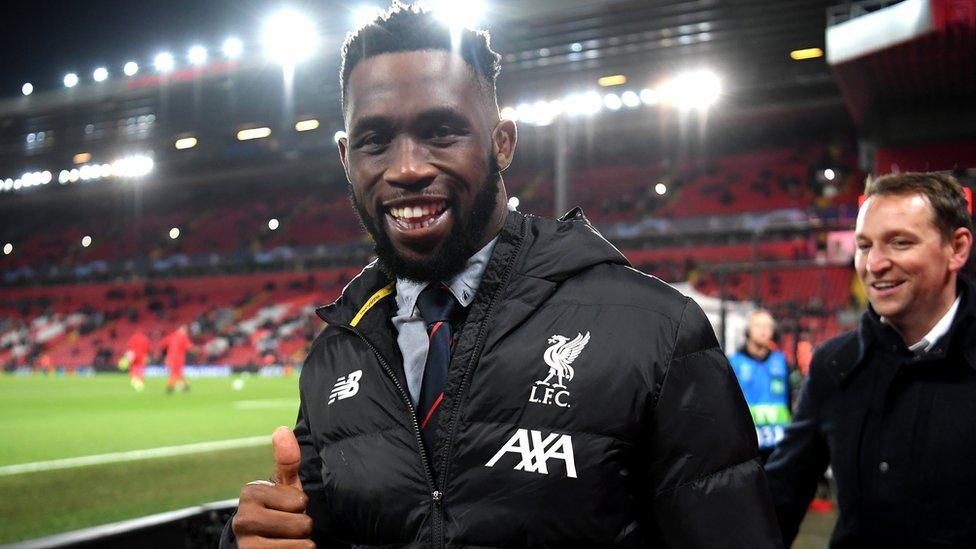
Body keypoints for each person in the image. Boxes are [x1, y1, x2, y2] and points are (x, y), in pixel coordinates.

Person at [224, 4, 780, 547]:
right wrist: (252, 539)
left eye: (441, 132)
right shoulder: (337, 353)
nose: (408, 167)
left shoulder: (654, 333)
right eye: (375, 141)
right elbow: (308, 527)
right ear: (347, 157)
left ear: (502, 141)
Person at [765, 172, 976, 547]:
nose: (874, 264)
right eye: (864, 246)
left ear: (957, 248)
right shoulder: (834, 364)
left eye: (899, 242)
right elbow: (780, 498)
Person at [729, 309, 791, 462]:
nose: (763, 330)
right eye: (758, 325)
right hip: (748, 444)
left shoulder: (781, 360)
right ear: (748, 330)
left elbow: (789, 398)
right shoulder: (734, 362)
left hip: (779, 444)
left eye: (768, 326)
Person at [161, 324, 193, 394]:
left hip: (170, 357)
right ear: (183, 329)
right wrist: (195, 349)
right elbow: (189, 346)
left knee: (177, 372)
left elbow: (163, 343)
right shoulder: (183, 336)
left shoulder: (172, 335)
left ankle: (184, 386)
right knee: (175, 373)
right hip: (178, 358)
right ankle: (169, 388)